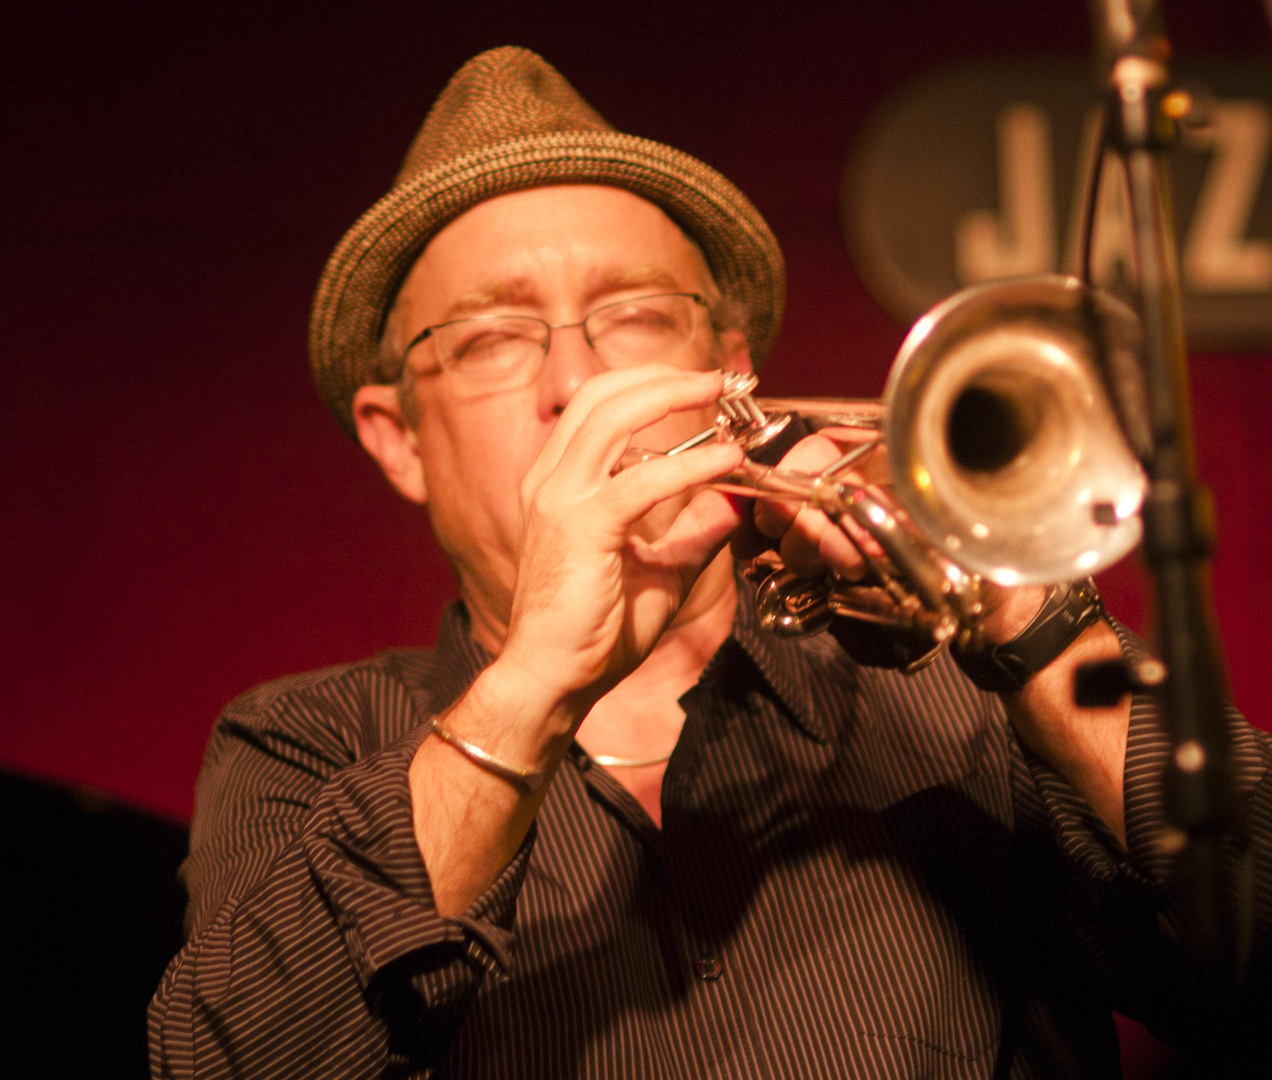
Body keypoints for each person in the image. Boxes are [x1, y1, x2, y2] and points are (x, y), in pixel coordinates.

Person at [149, 47, 1271, 1078]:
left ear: (728, 371)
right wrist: (535, 683)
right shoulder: (300, 742)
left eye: (634, 316)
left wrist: (1030, 625)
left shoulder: (956, 695)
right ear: (398, 440)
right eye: (492, 339)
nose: (579, 381)